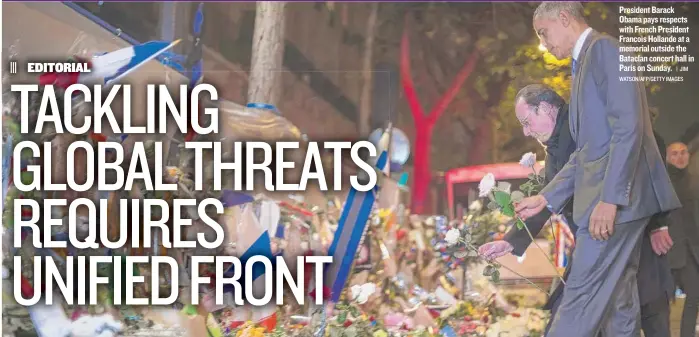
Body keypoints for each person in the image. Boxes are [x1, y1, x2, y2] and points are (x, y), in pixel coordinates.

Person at [513, 3, 681, 337]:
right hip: (613, 203)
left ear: (564, 18)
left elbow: (629, 128)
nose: (544, 44)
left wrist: (610, 200)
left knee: (579, 298)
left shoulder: (604, 49)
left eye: (543, 33)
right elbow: (587, 153)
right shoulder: (585, 62)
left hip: (612, 206)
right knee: (620, 305)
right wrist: (545, 198)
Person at [478, 84, 675, 337]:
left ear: (547, 108)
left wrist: (658, 222)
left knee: (624, 313)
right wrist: (509, 242)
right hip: (591, 243)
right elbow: (546, 200)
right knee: (611, 315)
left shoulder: (586, 123)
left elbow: (644, 151)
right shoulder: (555, 149)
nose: (526, 132)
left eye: (527, 122)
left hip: (618, 236)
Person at [665, 142, 699, 337]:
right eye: (675, 154)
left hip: (690, 250)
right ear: (668, 157)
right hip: (667, 250)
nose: (680, 157)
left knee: (694, 295)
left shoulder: (694, 182)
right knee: (663, 303)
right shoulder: (663, 181)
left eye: (683, 152)